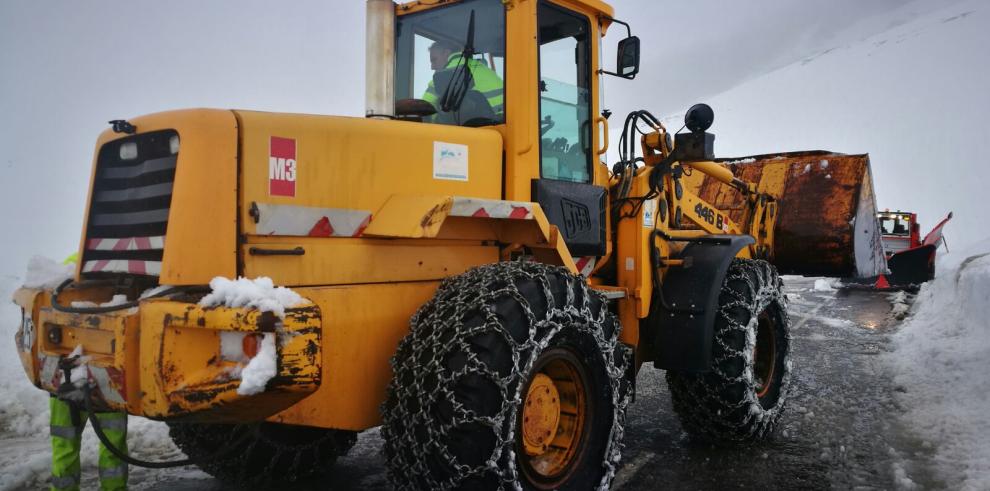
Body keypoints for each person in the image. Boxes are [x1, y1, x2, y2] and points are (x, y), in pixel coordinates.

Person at [50, 253, 128, 491]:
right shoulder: (128, 270)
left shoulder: (73, 265)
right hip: (104, 376)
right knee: (112, 447)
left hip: (69, 374)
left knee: (66, 446)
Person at [421, 40, 504, 118]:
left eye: (434, 60)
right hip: (503, 120)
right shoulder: (481, 67)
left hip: (483, 125)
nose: (432, 67)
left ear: (446, 53)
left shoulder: (444, 76)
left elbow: (424, 109)